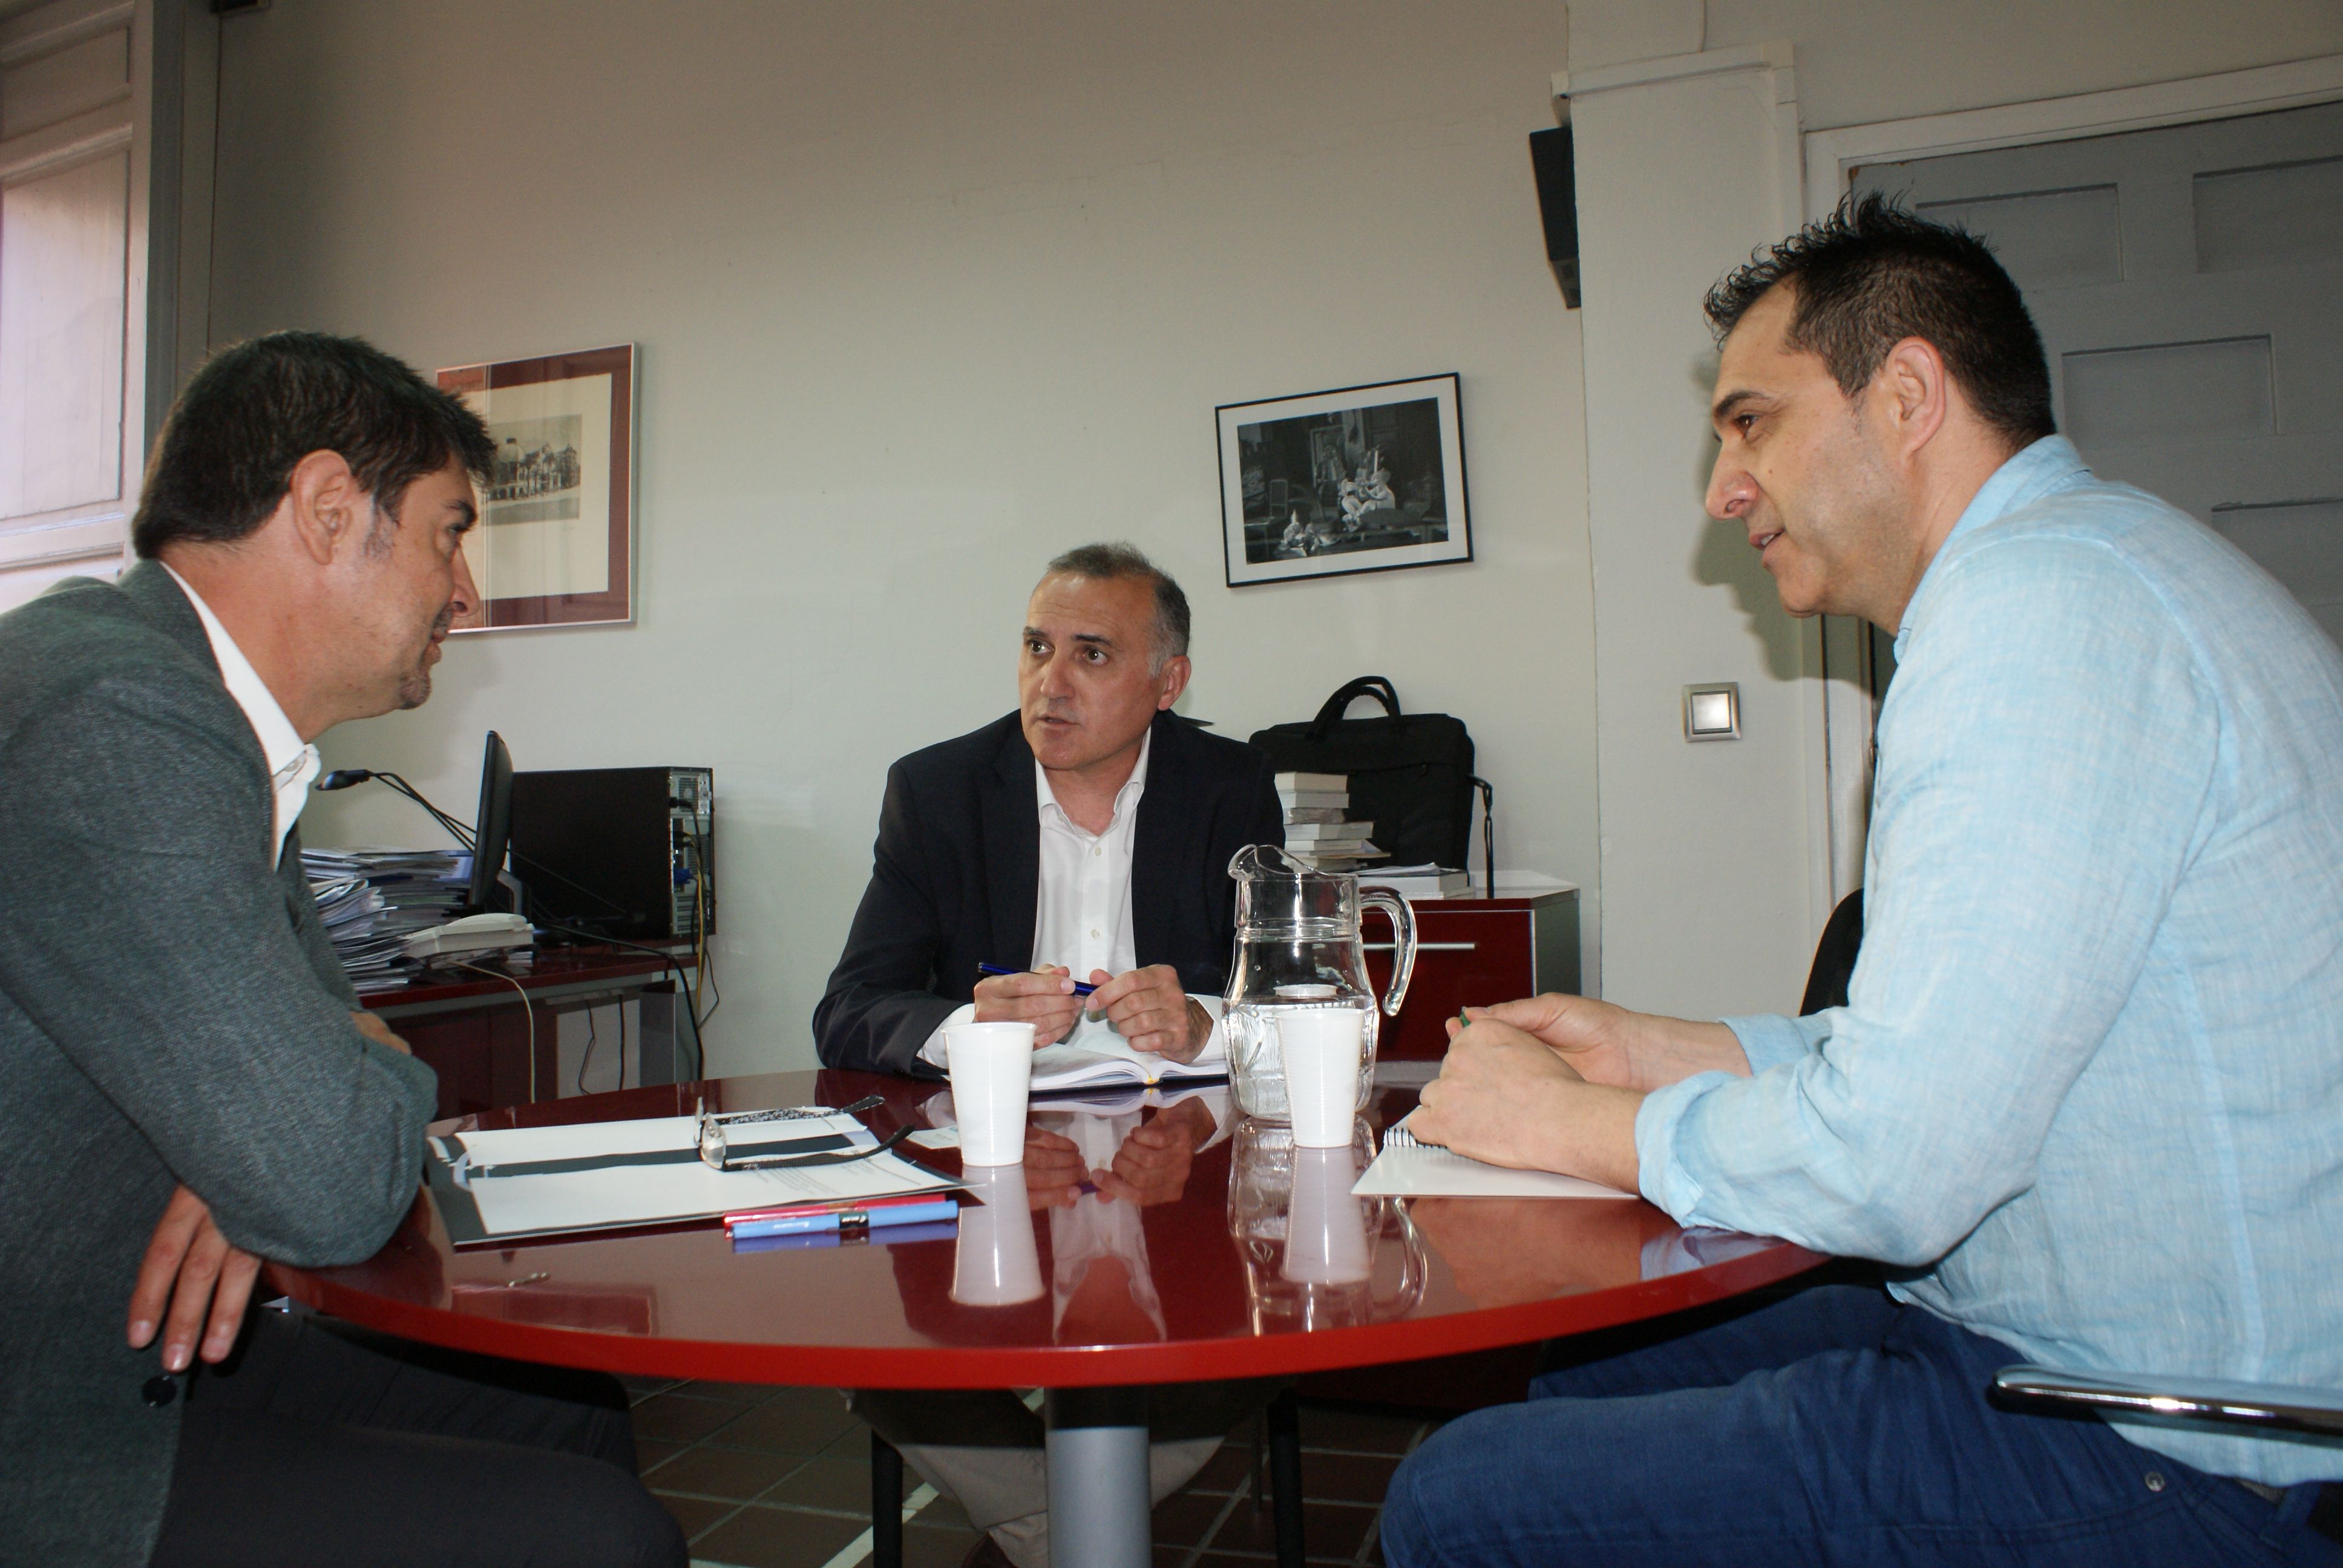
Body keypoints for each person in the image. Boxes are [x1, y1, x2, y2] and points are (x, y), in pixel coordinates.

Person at [1381, 195, 2343, 1566]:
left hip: (2166, 1442)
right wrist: (1655, 1051)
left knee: (1456, 1500)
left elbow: (1899, 1165)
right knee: (1590, 1372)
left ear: (1905, 395)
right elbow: (1950, 1052)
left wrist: (1569, 1124)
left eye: (1750, 422)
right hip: (2063, 1345)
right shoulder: (2099, 570)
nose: (1722, 490)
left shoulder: (2034, 622)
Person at [0, 332, 684, 1568]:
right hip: (42, 1413)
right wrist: (278, 1133)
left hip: (118, 1338)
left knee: (564, 1413)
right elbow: (326, 1177)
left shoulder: (213, 723)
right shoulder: (117, 715)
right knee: (597, 1538)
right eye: (447, 533)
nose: (463, 592)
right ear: (326, 510)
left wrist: (265, 1135)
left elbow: (310, 1106)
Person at [814, 543, 1282, 1567]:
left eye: (1091, 654)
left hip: (1179, 1174)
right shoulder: (938, 791)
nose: (1049, 683)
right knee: (864, 1344)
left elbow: (1290, 998)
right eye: (1036, 648)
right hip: (991, 1175)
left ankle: (1042, 1530)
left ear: (1168, 681)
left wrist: (1205, 1022)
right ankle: (1070, 1536)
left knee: (1256, 1328)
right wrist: (968, 1027)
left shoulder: (1230, 786)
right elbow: (850, 1009)